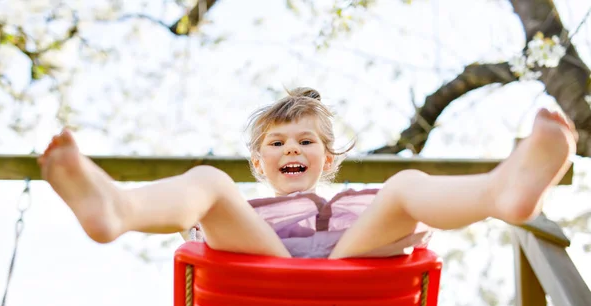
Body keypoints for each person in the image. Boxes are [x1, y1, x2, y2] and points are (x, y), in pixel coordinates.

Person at [37, 87, 578, 259]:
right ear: (259, 163)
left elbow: (400, 236)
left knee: (406, 185)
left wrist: (404, 237)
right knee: (207, 181)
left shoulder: (360, 202)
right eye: (276, 143)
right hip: (262, 262)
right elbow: (207, 239)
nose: (291, 148)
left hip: (349, 260)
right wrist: (195, 227)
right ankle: (120, 209)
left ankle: (501, 192)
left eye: (306, 141)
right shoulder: (249, 212)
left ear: (328, 159)